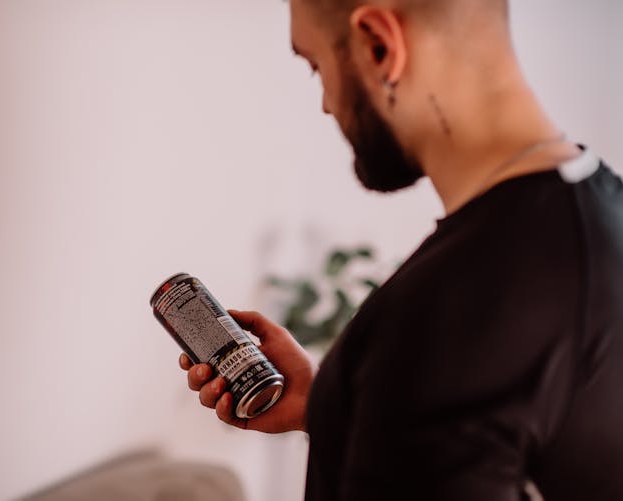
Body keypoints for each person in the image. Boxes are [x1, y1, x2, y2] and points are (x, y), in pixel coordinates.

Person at [180, 0, 623, 499]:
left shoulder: (443, 323)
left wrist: (387, 396)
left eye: (315, 65)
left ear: (379, 45)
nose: (326, 102)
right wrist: (330, 404)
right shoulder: (602, 212)